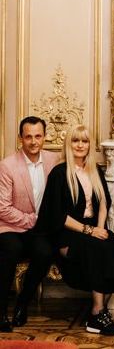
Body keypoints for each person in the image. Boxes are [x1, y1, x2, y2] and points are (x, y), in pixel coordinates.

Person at [36, 125, 114, 335]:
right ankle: (97, 313)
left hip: (92, 229)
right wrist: (90, 232)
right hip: (67, 233)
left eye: (84, 141)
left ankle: (100, 312)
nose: (80, 145)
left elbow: (103, 203)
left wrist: (99, 230)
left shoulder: (94, 170)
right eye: (75, 141)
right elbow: (57, 215)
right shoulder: (59, 173)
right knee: (97, 250)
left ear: (90, 145)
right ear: (69, 144)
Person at [0, 117, 58, 331]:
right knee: (10, 250)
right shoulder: (7, 166)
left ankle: (22, 304)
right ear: (20, 139)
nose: (33, 141)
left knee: (44, 253)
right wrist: (31, 220)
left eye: (38, 136)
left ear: (44, 137)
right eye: (28, 137)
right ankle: (1, 312)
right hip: (10, 226)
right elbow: (2, 207)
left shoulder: (55, 160)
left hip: (39, 230)